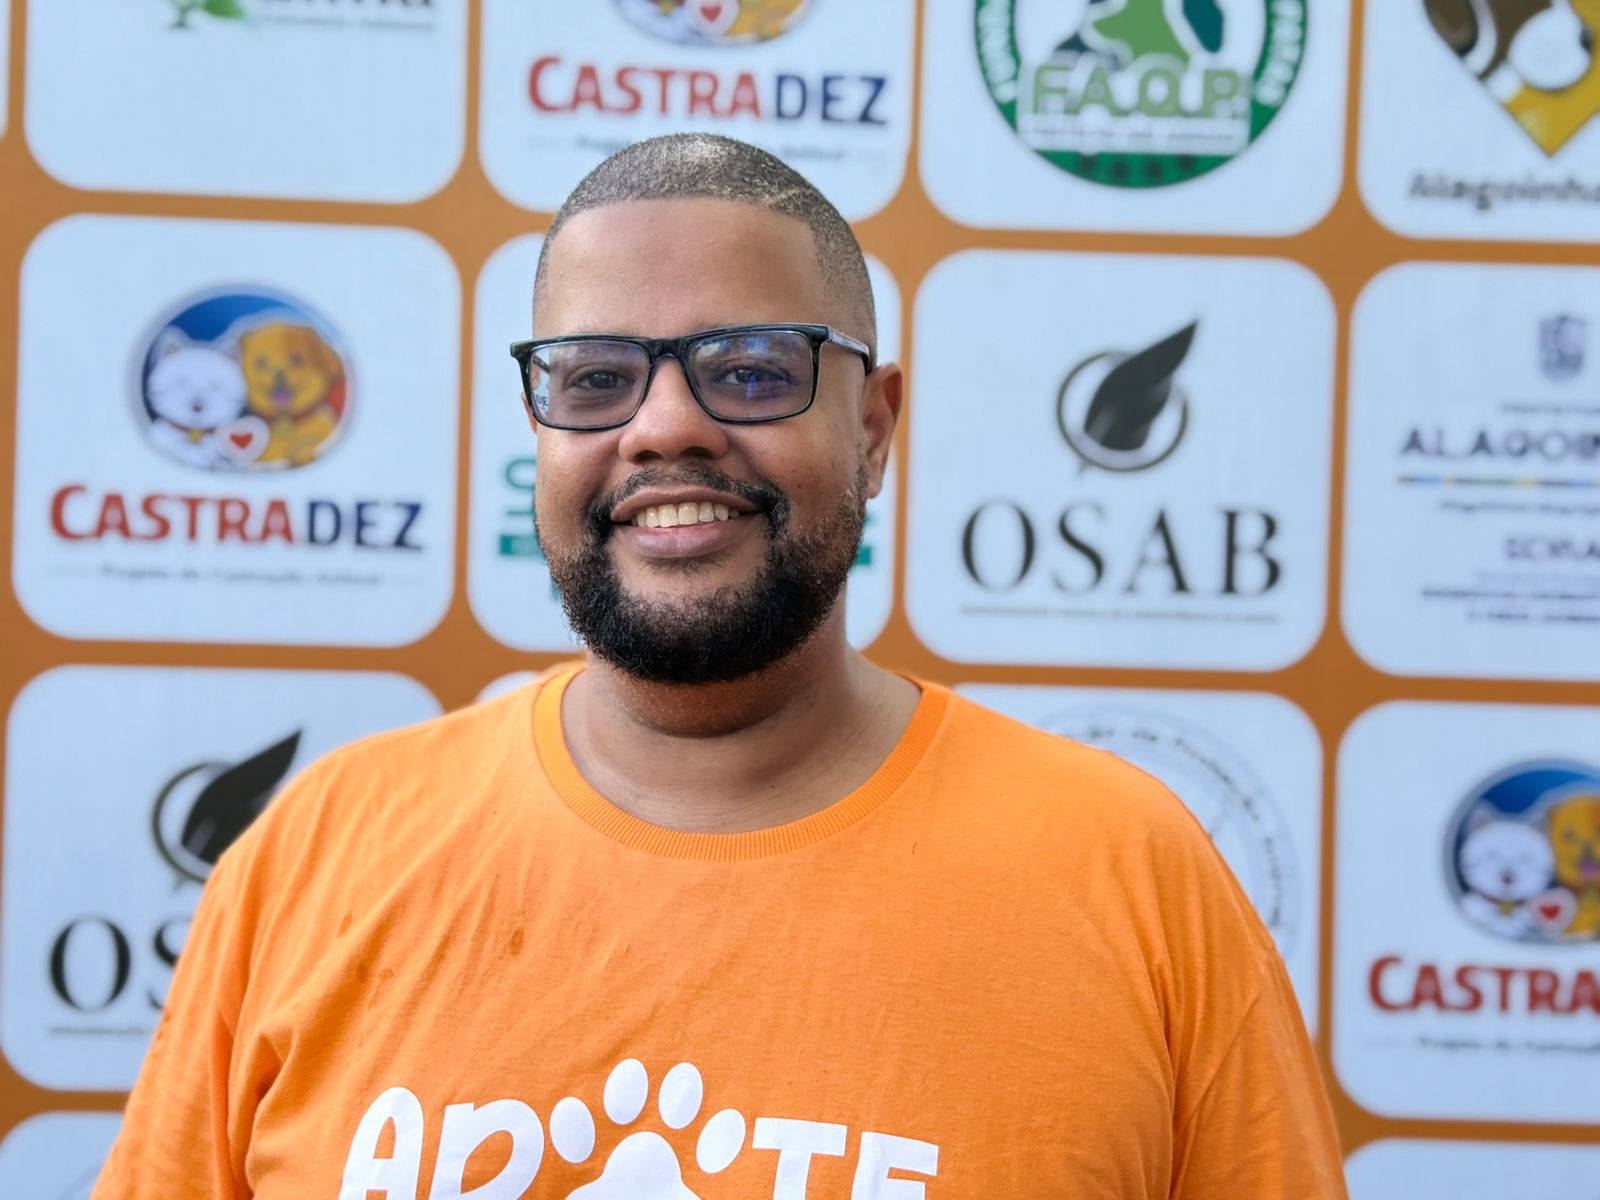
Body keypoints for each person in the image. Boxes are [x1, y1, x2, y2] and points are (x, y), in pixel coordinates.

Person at [94, 133, 1347, 1199]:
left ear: (872, 430)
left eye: (750, 370)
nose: (664, 427)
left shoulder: (1133, 876)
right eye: (596, 377)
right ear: (539, 430)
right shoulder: (318, 851)